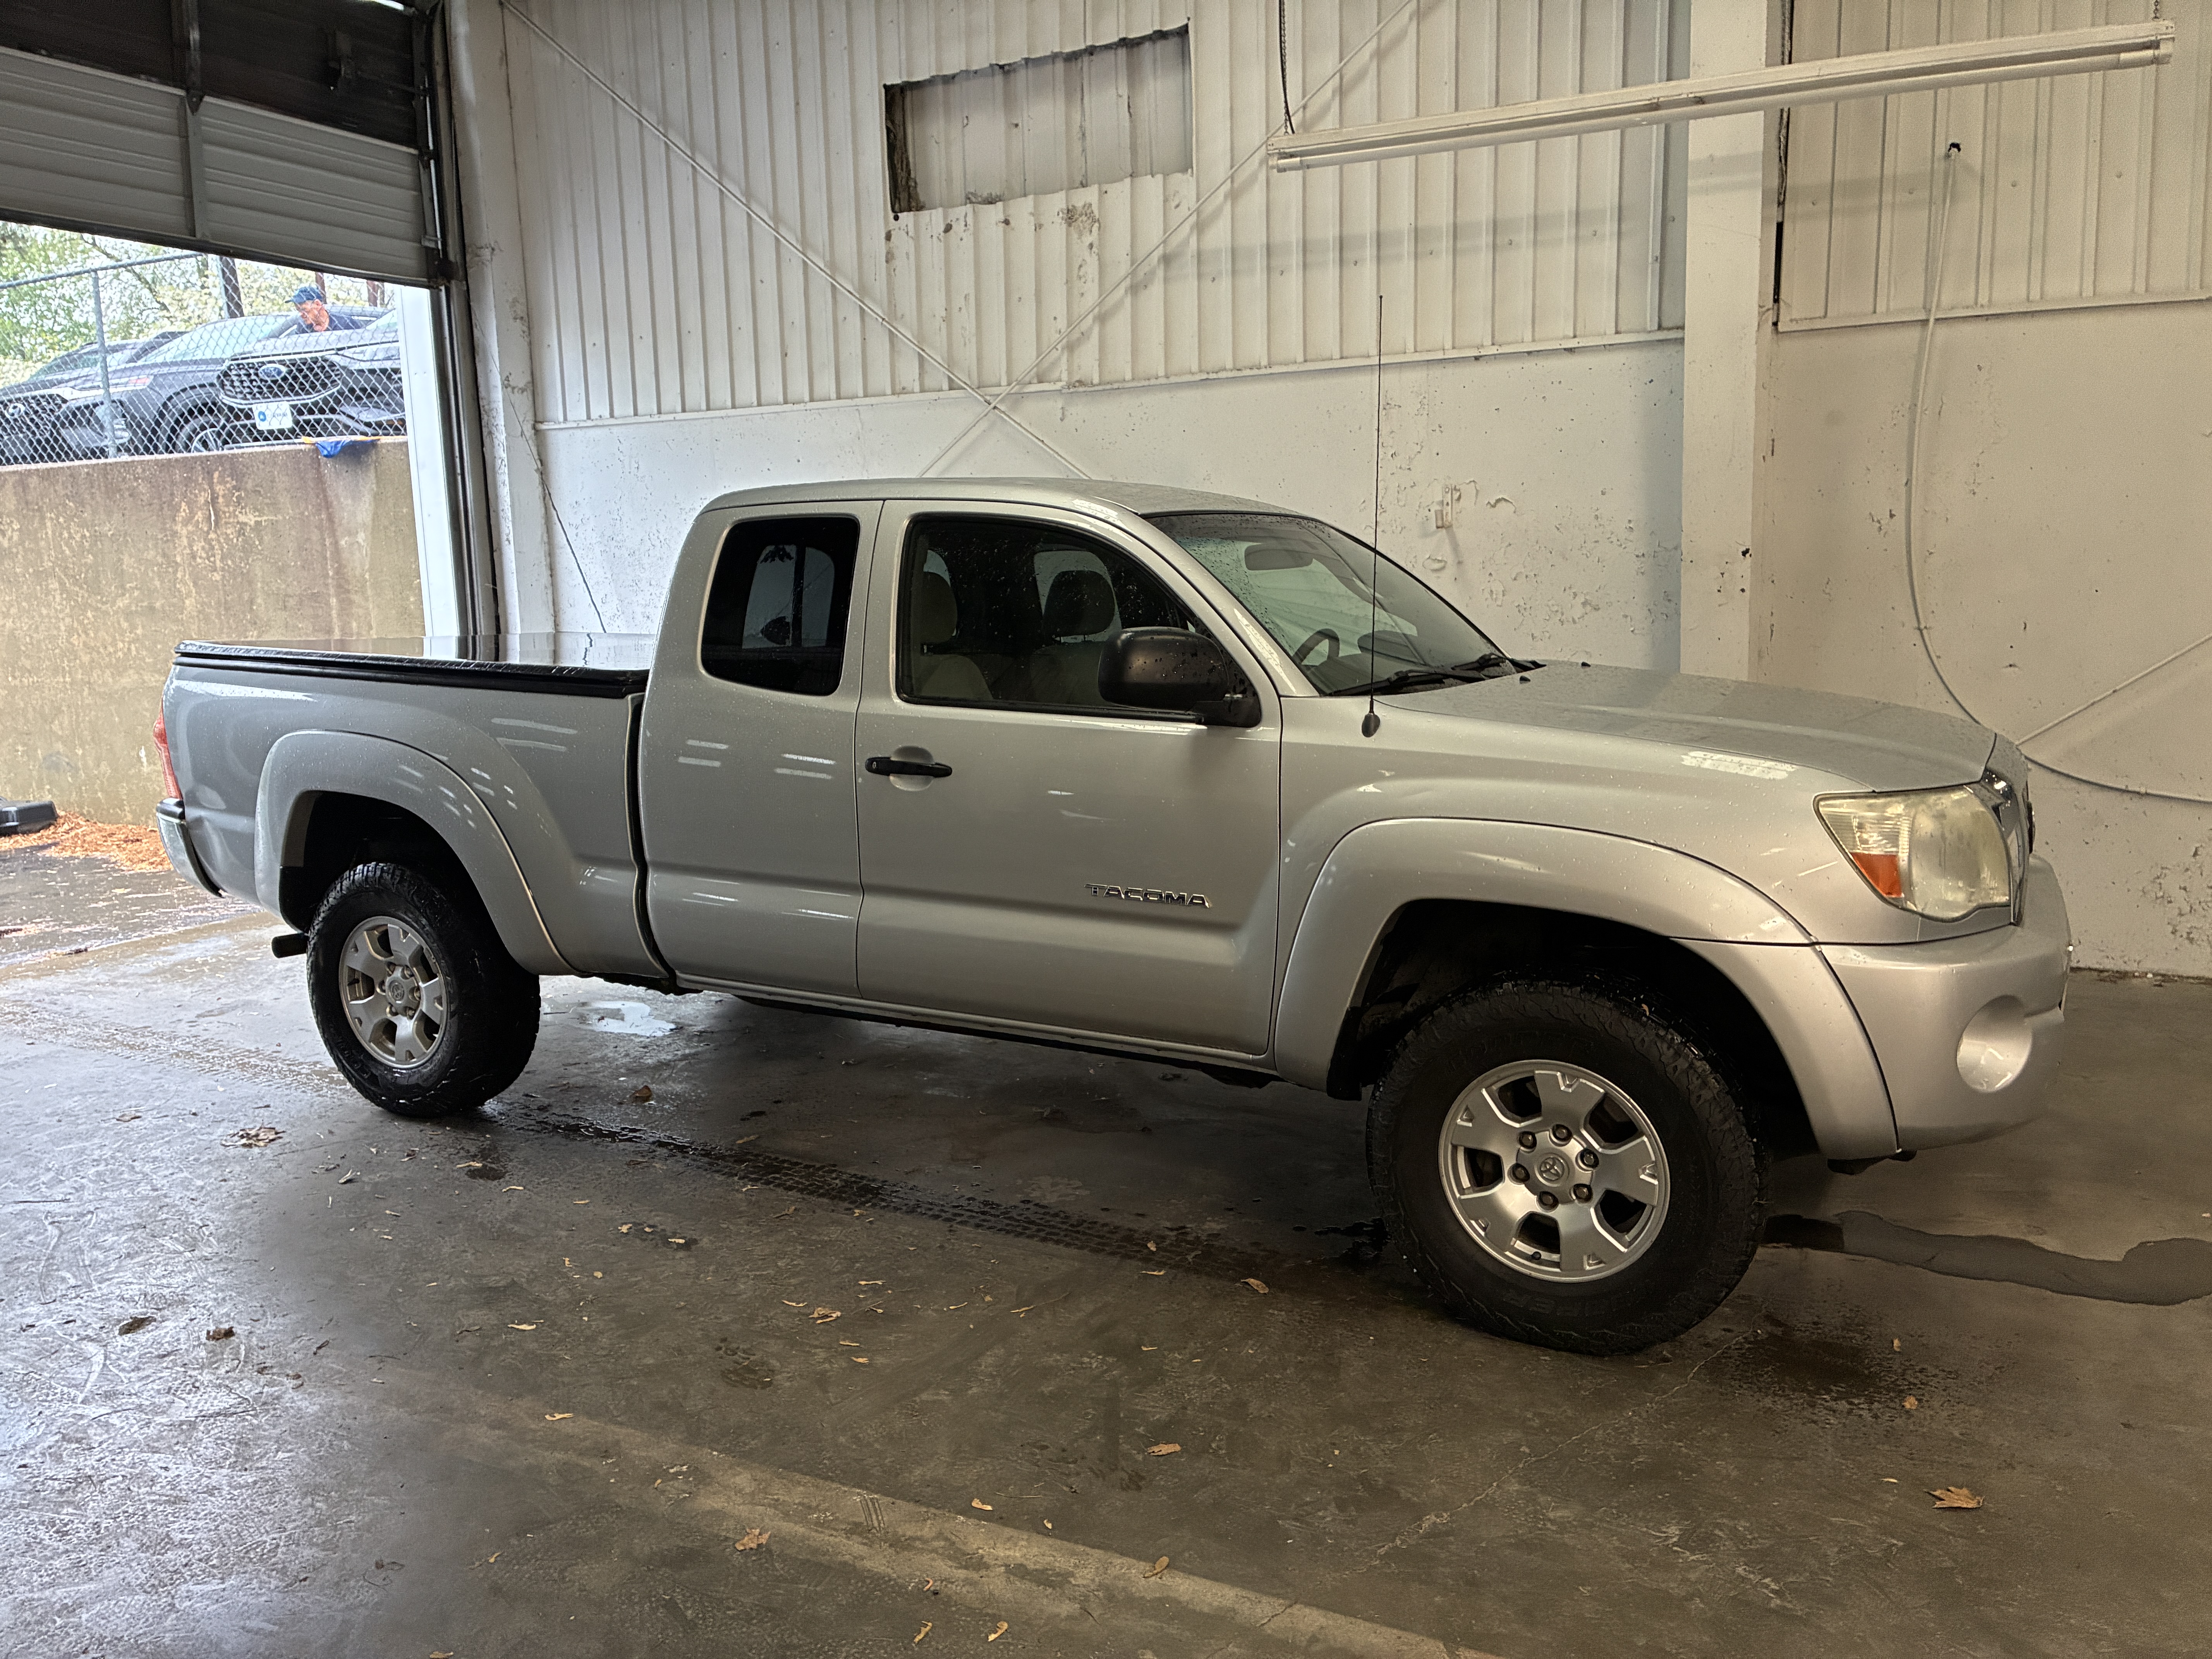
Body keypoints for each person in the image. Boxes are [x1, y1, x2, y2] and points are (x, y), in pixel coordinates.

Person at [290, 286, 364, 333]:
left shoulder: (345, 323)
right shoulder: (302, 328)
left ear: (317, 304)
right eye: (298, 311)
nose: (301, 314)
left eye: (304, 310)